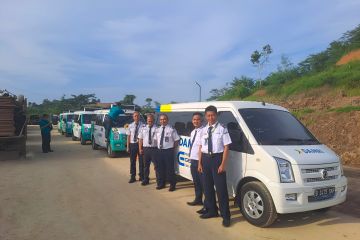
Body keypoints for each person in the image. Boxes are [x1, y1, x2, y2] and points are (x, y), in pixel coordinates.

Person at [198, 105, 232, 227]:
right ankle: (212, 211)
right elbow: (201, 147)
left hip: (217, 159)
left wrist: (223, 164)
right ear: (205, 116)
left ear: (216, 115)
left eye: (212, 115)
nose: (210, 117)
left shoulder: (222, 128)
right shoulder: (203, 130)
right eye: (208, 115)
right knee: (207, 188)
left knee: (221, 190)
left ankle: (226, 216)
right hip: (205, 160)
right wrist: (199, 163)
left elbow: (227, 147)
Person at [154, 113, 180, 191]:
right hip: (159, 151)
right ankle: (161, 184)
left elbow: (176, 140)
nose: (163, 121)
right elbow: (156, 140)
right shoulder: (158, 129)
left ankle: (172, 184)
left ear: (167, 120)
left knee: (169, 169)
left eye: (164, 119)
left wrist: (171, 148)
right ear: (159, 120)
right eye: (161, 119)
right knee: (160, 168)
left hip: (168, 151)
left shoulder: (171, 129)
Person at [187, 112, 205, 206]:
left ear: (202, 120)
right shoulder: (193, 132)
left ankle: (208, 204)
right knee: (196, 182)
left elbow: (202, 147)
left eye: (198, 119)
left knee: (203, 183)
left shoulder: (204, 131)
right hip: (193, 160)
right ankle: (198, 199)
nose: (196, 121)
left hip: (200, 161)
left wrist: (200, 163)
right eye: (194, 119)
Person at [138, 114, 159, 186]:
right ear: (147, 121)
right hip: (146, 149)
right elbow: (140, 139)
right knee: (146, 166)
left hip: (154, 149)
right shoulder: (143, 128)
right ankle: (146, 179)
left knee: (156, 166)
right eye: (148, 121)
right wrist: (140, 148)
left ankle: (159, 181)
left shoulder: (157, 129)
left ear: (153, 121)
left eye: (151, 121)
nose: (150, 122)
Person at [126, 111, 145, 183]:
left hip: (140, 145)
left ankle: (141, 176)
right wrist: (128, 147)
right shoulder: (130, 126)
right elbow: (128, 136)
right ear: (133, 117)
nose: (136, 117)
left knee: (141, 161)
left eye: (138, 116)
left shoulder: (143, 125)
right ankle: (132, 176)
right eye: (135, 116)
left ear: (139, 117)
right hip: (132, 145)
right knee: (132, 161)